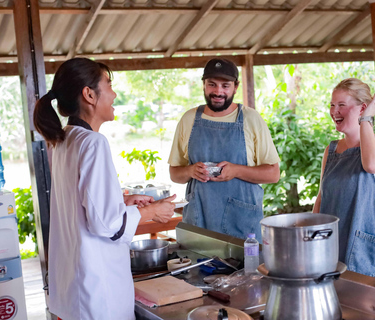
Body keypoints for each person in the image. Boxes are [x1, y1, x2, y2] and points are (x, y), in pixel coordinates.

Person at [33, 57, 176, 320]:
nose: (114, 93)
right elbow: (106, 224)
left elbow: (80, 205)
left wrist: (122, 201)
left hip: (74, 289)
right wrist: (152, 211)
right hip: (97, 295)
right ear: (89, 94)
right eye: (108, 84)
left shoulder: (65, 139)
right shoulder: (93, 143)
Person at [168, 58, 280, 242]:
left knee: (245, 271)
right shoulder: (188, 119)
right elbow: (175, 174)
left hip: (242, 227)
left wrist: (235, 171)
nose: (218, 91)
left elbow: (273, 174)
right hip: (198, 225)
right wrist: (190, 171)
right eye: (212, 84)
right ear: (204, 85)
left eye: (225, 85)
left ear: (235, 87)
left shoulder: (251, 119)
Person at [313, 78, 375, 285]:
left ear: (363, 108)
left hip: (367, 244)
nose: (334, 111)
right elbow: (322, 197)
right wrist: (311, 236)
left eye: (342, 105)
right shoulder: (332, 149)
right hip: (333, 241)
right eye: (332, 105)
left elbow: (370, 165)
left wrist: (367, 118)